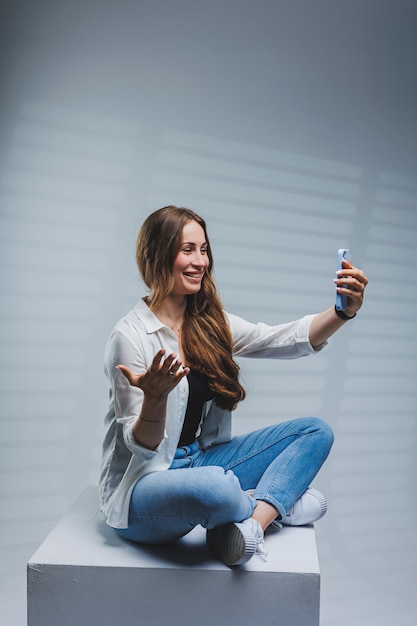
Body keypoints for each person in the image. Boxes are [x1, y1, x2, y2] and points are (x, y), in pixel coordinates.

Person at [99, 205, 368, 566]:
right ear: (156, 255)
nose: (200, 262)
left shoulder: (209, 324)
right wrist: (154, 398)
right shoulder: (129, 336)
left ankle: (255, 522)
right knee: (215, 486)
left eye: (204, 249)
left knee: (314, 432)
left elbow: (280, 339)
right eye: (187, 250)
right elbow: (143, 449)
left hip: (202, 458)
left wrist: (342, 313)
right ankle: (277, 503)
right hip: (143, 488)